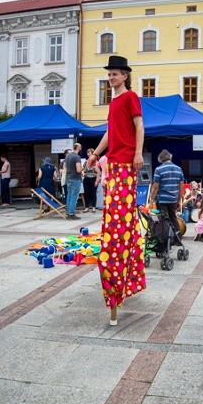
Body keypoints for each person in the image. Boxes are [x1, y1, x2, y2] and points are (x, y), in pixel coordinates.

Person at [85, 55, 146, 327]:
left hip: (126, 162)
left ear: (125, 76)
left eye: (115, 74)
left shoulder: (130, 97)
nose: (111, 78)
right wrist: (95, 154)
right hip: (114, 163)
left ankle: (121, 279)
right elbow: (110, 133)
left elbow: (139, 126)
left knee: (121, 223)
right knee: (117, 220)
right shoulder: (112, 102)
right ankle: (122, 278)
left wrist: (138, 154)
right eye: (109, 74)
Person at [149, 149, 185, 225]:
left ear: (161, 159)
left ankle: (165, 236)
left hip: (162, 200)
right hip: (173, 199)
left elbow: (155, 187)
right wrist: (178, 200)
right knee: (173, 218)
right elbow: (181, 187)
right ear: (170, 157)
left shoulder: (158, 169)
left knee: (163, 220)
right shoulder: (179, 169)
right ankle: (177, 235)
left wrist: (151, 200)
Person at [63, 143, 84, 220]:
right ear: (78, 148)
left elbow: (65, 167)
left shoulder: (67, 156)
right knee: (74, 196)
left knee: (69, 195)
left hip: (68, 178)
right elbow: (78, 170)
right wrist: (84, 167)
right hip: (75, 178)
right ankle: (71, 213)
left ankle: (68, 212)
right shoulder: (76, 157)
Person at [82, 148, 98, 214]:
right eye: (87, 153)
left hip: (93, 178)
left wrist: (97, 179)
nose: (88, 154)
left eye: (89, 153)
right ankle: (87, 207)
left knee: (93, 193)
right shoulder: (86, 162)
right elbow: (83, 169)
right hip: (86, 178)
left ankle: (94, 207)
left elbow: (98, 172)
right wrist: (83, 173)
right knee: (86, 193)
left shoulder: (97, 162)